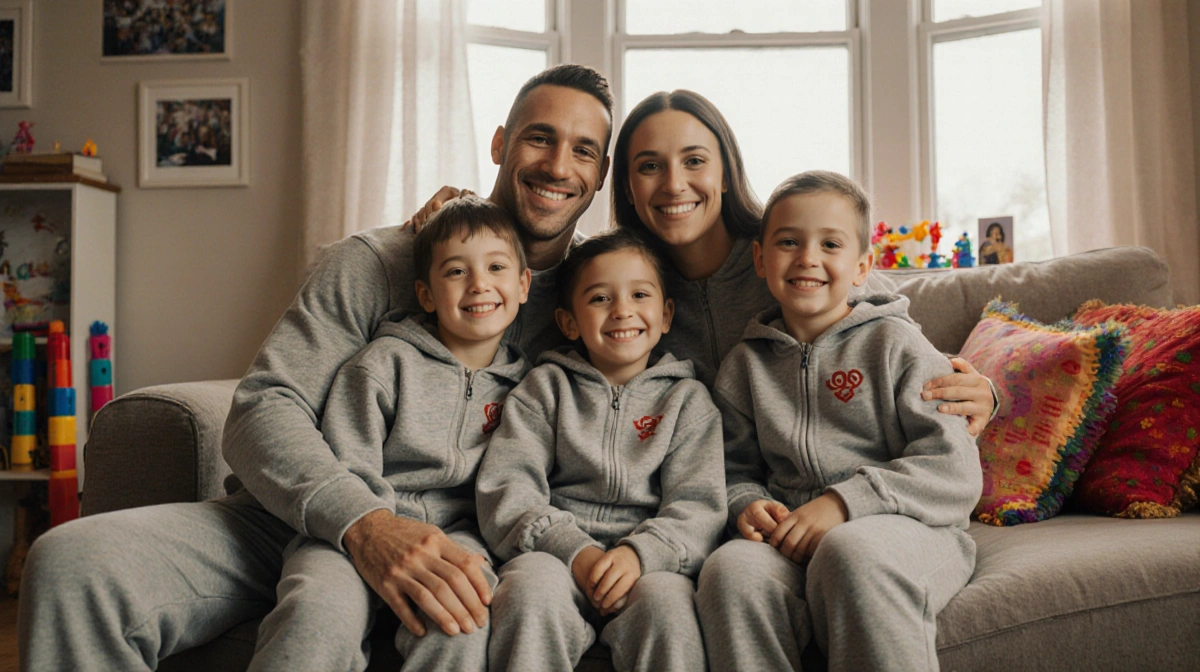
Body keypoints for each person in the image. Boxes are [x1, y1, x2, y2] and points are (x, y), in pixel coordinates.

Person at [18, 63, 612, 671]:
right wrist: (364, 523)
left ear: (601, 175)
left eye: (584, 150)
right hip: (297, 521)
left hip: (475, 545)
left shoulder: (605, 299)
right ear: (500, 144)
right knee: (72, 565)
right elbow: (264, 408)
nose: (558, 166)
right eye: (539, 137)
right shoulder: (380, 263)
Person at [694, 171, 983, 671]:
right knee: (729, 570)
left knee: (849, 552)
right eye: (789, 242)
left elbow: (953, 469)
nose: (808, 257)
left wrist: (843, 503)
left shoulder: (895, 344)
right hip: (789, 537)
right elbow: (730, 468)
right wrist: (748, 503)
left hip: (907, 529)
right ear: (761, 259)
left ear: (862, 266)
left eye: (830, 243)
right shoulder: (745, 364)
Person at [247, 196, 532, 670]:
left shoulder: (528, 390)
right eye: (456, 271)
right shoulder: (383, 364)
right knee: (318, 611)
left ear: (523, 285)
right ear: (425, 294)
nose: (479, 284)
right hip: (352, 533)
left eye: (496, 267)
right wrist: (377, 530)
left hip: (460, 539)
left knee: (462, 620)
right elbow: (347, 462)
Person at [608, 89, 997, 429]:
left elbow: (891, 339)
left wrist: (984, 393)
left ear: (725, 175)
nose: (674, 184)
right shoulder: (617, 289)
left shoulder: (792, 253)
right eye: (650, 166)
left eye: (694, 161)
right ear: (627, 186)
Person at [476, 230, 725, 672]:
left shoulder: (688, 401)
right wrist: (575, 550)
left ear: (666, 314)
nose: (622, 310)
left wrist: (640, 555)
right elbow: (508, 488)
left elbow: (699, 506)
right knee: (527, 593)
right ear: (569, 322)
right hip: (554, 556)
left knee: (669, 609)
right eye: (599, 299)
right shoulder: (544, 390)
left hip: (650, 564)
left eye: (639, 294)